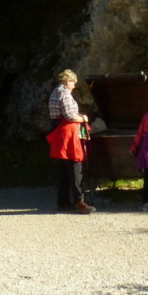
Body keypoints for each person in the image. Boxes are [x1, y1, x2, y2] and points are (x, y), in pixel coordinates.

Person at [46, 69, 96, 214]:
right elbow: (69, 116)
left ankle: (63, 201)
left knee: (63, 169)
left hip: (59, 133)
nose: (74, 85)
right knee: (75, 168)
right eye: (73, 82)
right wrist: (83, 118)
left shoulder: (55, 92)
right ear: (68, 80)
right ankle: (79, 201)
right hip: (68, 134)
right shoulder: (65, 93)